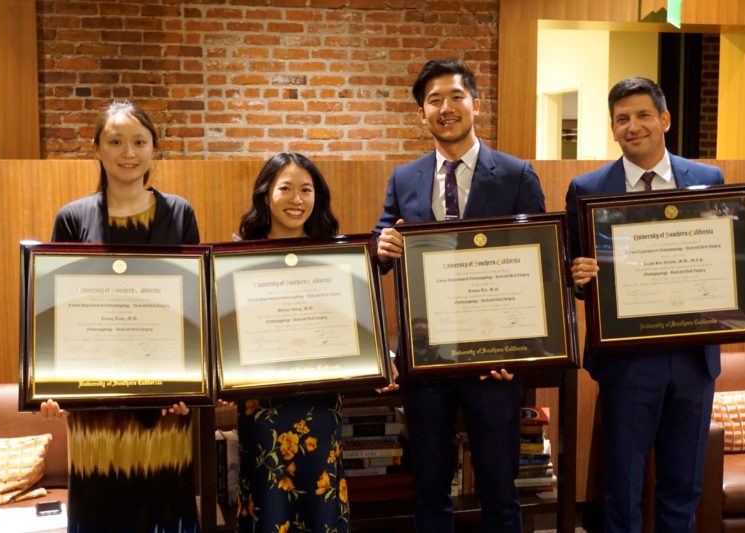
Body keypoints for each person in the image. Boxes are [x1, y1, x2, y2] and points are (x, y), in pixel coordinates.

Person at [565, 76, 745, 533]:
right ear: (613, 128)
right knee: (620, 486)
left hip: (693, 359)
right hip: (626, 362)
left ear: (664, 119)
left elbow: (727, 256)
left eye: (643, 115)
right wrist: (578, 276)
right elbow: (573, 270)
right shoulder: (586, 188)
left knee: (683, 484)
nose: (633, 126)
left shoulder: (708, 179)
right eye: (622, 119)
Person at [373, 58, 546, 532]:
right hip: (426, 356)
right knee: (429, 486)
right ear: (421, 114)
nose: (445, 108)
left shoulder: (515, 175)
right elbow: (383, 244)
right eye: (433, 101)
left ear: (475, 103)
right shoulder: (404, 178)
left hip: (494, 357)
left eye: (455, 97)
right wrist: (381, 246)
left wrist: (525, 351)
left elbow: (539, 265)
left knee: (498, 484)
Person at [41, 100, 200, 532]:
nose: (127, 152)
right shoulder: (72, 218)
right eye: (115, 141)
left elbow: (193, 310)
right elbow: (57, 311)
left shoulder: (179, 213)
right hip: (98, 413)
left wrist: (193, 383)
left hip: (166, 408)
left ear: (153, 150)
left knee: (164, 510)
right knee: (101, 510)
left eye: (138, 142)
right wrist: (50, 383)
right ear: (97, 148)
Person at [233, 152, 349, 533]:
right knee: (269, 503)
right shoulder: (237, 259)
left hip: (319, 404)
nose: (296, 199)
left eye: (306, 190)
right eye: (286, 188)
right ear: (266, 194)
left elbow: (348, 326)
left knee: (322, 506)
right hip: (262, 407)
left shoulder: (334, 256)